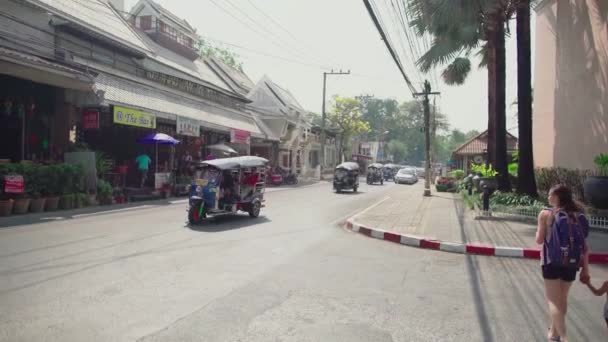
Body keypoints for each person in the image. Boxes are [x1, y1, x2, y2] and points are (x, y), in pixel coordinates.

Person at [536, 184, 590, 342]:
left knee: (553, 300)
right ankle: (554, 333)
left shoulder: (545, 214)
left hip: (550, 261)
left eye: (550, 194)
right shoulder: (578, 215)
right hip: (572, 263)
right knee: (562, 298)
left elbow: (539, 240)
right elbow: (584, 246)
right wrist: (585, 270)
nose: (548, 197)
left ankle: (564, 337)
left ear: (557, 197)